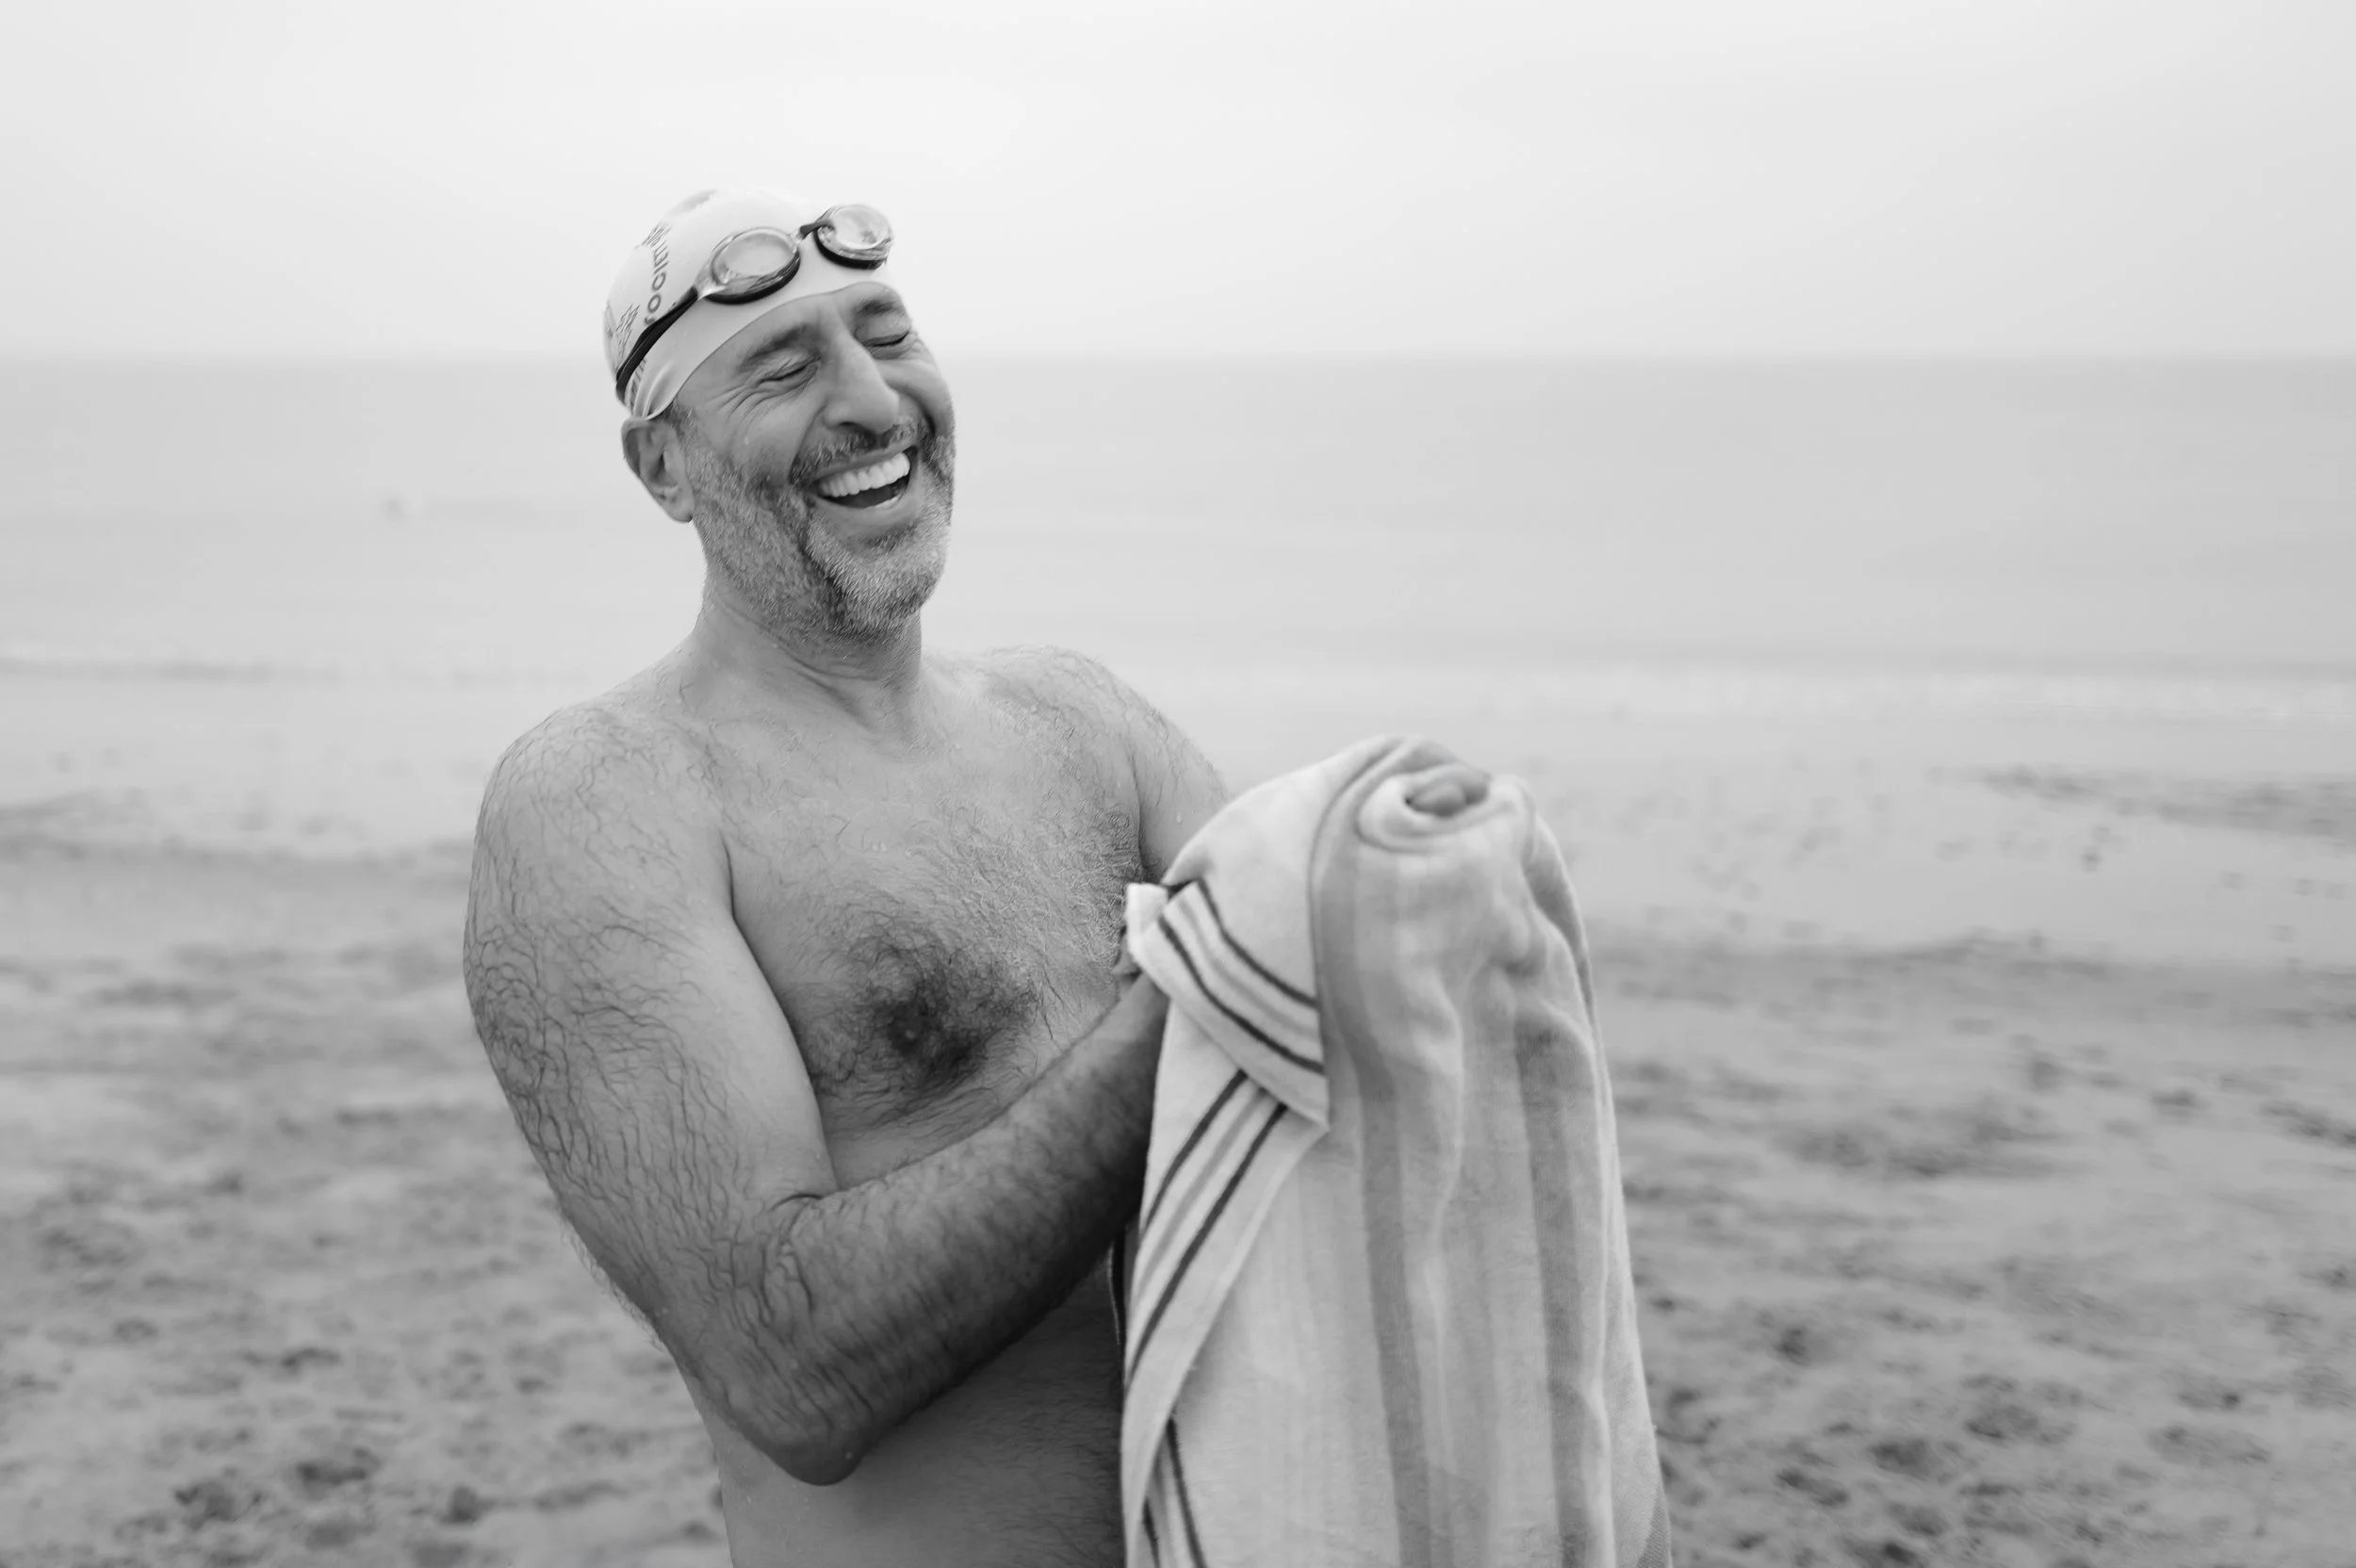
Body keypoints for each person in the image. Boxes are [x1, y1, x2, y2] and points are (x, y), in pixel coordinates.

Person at [459, 188, 1230, 1567]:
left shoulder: (1082, 721)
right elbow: (790, 1366)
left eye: (887, 334)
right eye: (785, 365)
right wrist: (1202, 993)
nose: (876, 402)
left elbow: (1347, 1004)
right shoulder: (607, 802)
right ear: (664, 470)